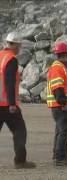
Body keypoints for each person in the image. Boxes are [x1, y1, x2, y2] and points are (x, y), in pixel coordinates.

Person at [0, 32, 36, 169]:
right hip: (6, 104)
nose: (20, 48)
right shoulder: (11, 59)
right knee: (20, 131)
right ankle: (20, 161)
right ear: (14, 45)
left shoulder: (0, 56)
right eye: (19, 45)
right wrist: (12, 104)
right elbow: (9, 83)